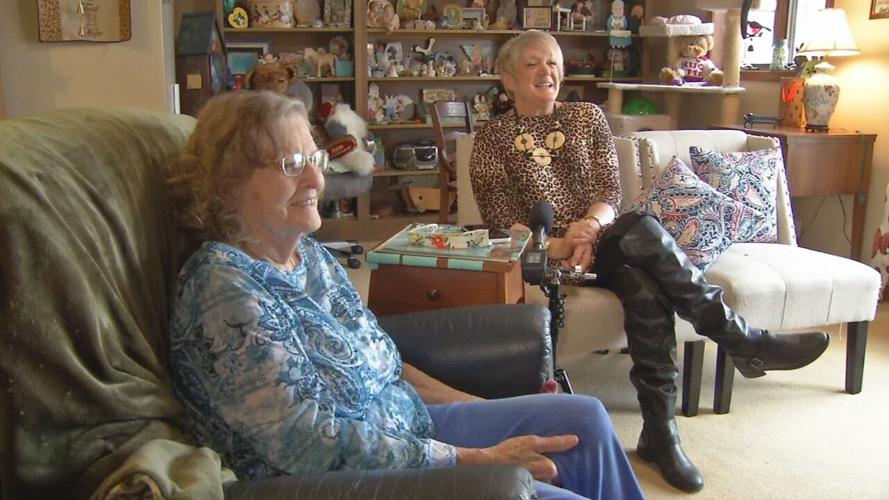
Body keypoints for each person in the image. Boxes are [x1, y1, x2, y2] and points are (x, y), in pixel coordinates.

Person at [164, 90, 644, 500]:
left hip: (409, 429)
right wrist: (481, 457)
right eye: (292, 164)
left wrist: (483, 409)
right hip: (353, 477)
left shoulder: (308, 256)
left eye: (314, 158)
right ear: (228, 182)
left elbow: (388, 365)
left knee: (582, 418)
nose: (316, 180)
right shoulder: (224, 290)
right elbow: (310, 444)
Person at [469, 30, 830, 493]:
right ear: (507, 79)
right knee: (642, 277)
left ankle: (667, 427)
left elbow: (609, 192)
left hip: (604, 238)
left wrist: (591, 227)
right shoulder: (492, 138)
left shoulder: (586, 116)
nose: (548, 72)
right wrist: (564, 243)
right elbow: (502, 224)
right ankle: (730, 354)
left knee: (637, 228)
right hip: (548, 257)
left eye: (555, 63)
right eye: (534, 64)